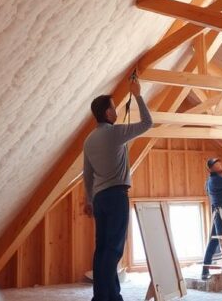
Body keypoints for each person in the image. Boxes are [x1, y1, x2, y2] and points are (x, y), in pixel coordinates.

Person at [82, 78, 151, 301]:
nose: (116, 110)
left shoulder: (89, 140)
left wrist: (89, 200)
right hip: (115, 197)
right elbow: (147, 123)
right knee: (112, 251)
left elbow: (88, 174)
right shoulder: (114, 133)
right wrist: (138, 94)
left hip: (100, 199)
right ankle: (103, 297)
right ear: (107, 113)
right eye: (113, 107)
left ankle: (111, 296)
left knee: (102, 249)